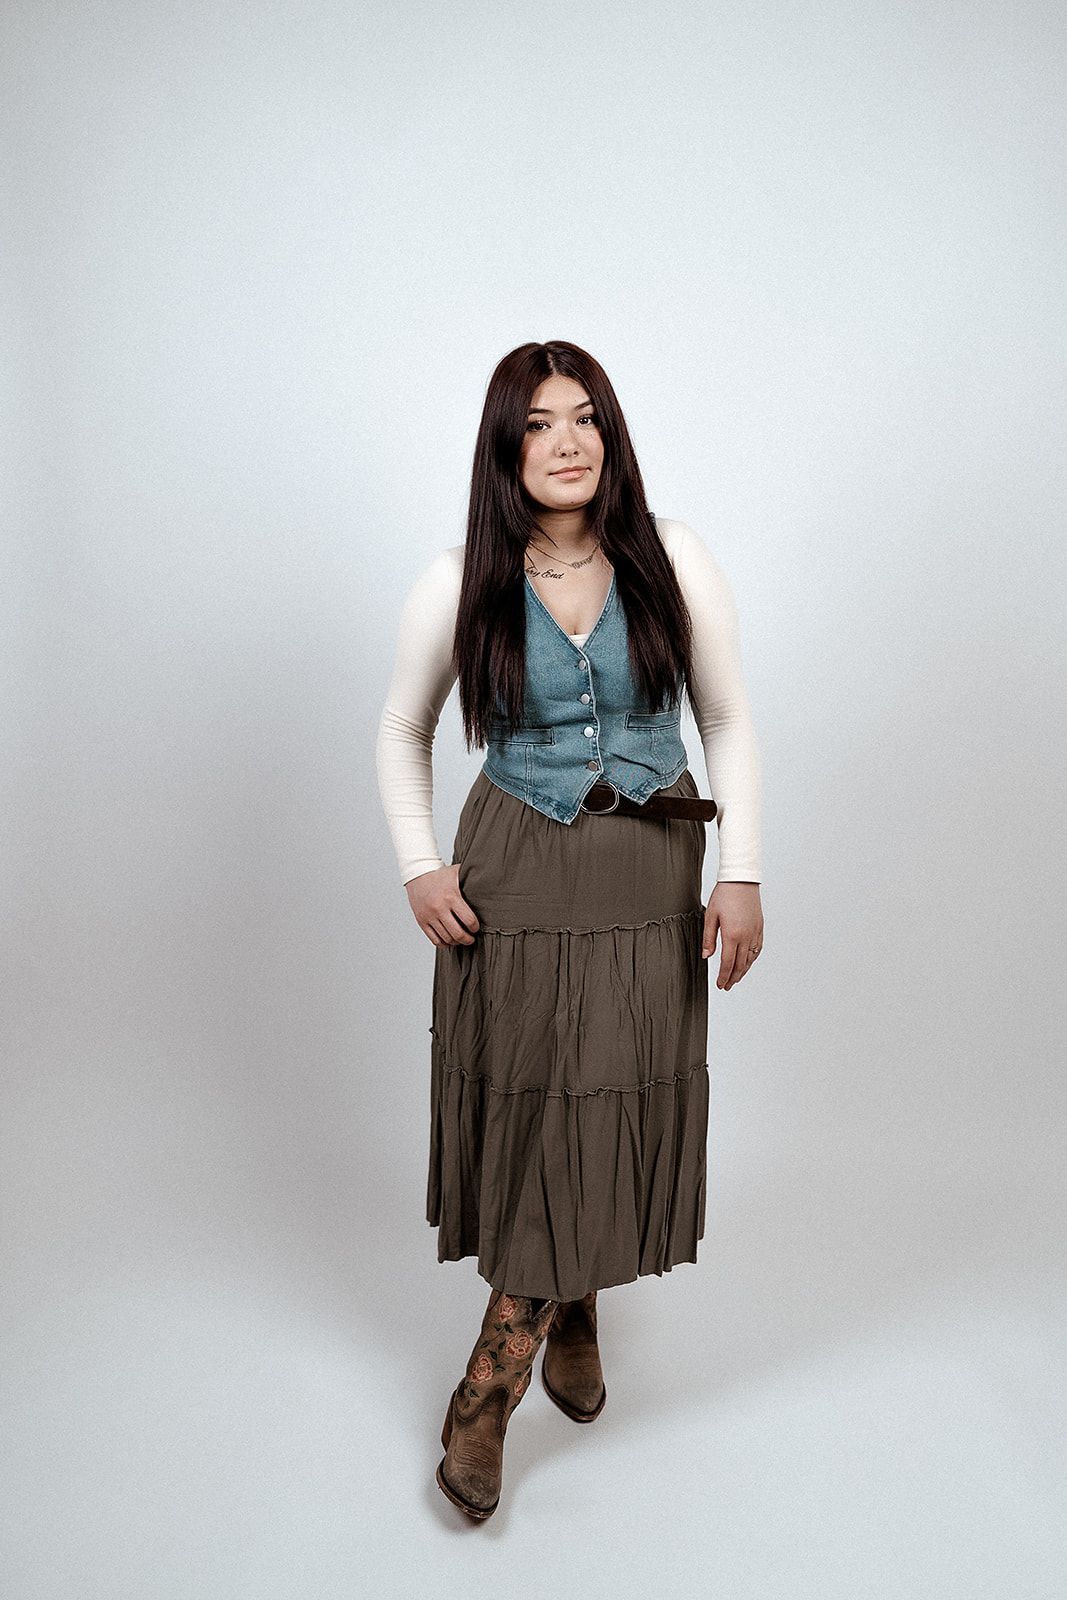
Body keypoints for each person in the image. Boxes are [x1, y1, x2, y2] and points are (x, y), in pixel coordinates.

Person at [375, 340, 763, 1520]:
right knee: (542, 1092)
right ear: (506, 448)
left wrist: (740, 872)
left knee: (613, 1085)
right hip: (517, 868)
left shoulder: (672, 557)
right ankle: (492, 1382)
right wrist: (415, 863)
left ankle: (567, 1300)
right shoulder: (458, 579)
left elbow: (728, 718)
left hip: (650, 870)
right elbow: (401, 729)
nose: (566, 440)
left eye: (584, 417)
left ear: (610, 435)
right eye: (538, 423)